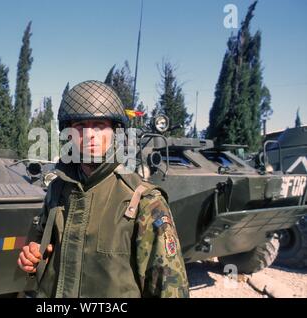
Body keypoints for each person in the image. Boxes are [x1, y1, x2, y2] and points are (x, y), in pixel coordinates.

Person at [18, 80, 189, 298]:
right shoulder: (57, 189)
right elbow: (39, 245)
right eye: (80, 126)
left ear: (116, 133)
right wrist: (32, 256)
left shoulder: (144, 201)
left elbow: (169, 290)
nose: (89, 135)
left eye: (99, 126)